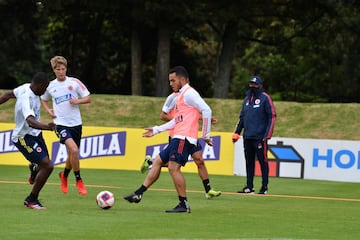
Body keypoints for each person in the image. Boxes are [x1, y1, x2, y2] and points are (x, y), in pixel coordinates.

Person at [124, 66, 213, 213]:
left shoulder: (189, 94)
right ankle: (138, 193)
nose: (171, 83)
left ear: (182, 79)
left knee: (173, 168)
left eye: (173, 80)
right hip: (178, 137)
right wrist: (156, 129)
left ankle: (184, 205)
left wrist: (206, 135)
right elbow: (176, 121)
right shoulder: (179, 96)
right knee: (157, 161)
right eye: (170, 81)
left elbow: (207, 110)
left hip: (184, 138)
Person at [140, 91, 221, 199]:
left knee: (199, 160)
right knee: (173, 164)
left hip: (190, 135)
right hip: (177, 136)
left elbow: (190, 115)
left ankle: (208, 190)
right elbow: (163, 115)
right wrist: (179, 121)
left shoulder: (189, 95)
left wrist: (204, 118)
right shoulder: (172, 98)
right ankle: (151, 161)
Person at [0, 72, 55, 209]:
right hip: (23, 137)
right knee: (48, 165)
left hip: (35, 134)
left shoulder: (25, 87)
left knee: (44, 165)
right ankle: (31, 199)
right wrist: (48, 127)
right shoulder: (26, 97)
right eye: (45, 87)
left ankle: (34, 167)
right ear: (39, 85)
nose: (45, 91)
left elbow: (7, 95)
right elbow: (30, 121)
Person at [41, 56, 91, 195]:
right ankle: (79, 180)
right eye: (58, 69)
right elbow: (43, 99)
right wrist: (48, 110)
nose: (61, 72)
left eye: (63, 69)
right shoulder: (50, 86)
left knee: (71, 154)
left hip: (76, 123)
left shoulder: (74, 82)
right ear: (54, 70)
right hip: (60, 124)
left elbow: (88, 98)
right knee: (74, 151)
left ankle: (64, 175)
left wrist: (78, 101)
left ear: (66, 69)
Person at [232, 76, 276, 194]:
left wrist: (268, 133)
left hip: (260, 137)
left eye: (255, 84)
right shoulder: (246, 99)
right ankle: (249, 186)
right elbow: (242, 118)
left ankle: (264, 186)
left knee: (263, 161)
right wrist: (237, 132)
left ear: (260, 85)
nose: (252, 86)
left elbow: (272, 116)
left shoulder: (265, 98)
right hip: (248, 136)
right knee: (249, 161)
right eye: (251, 84)